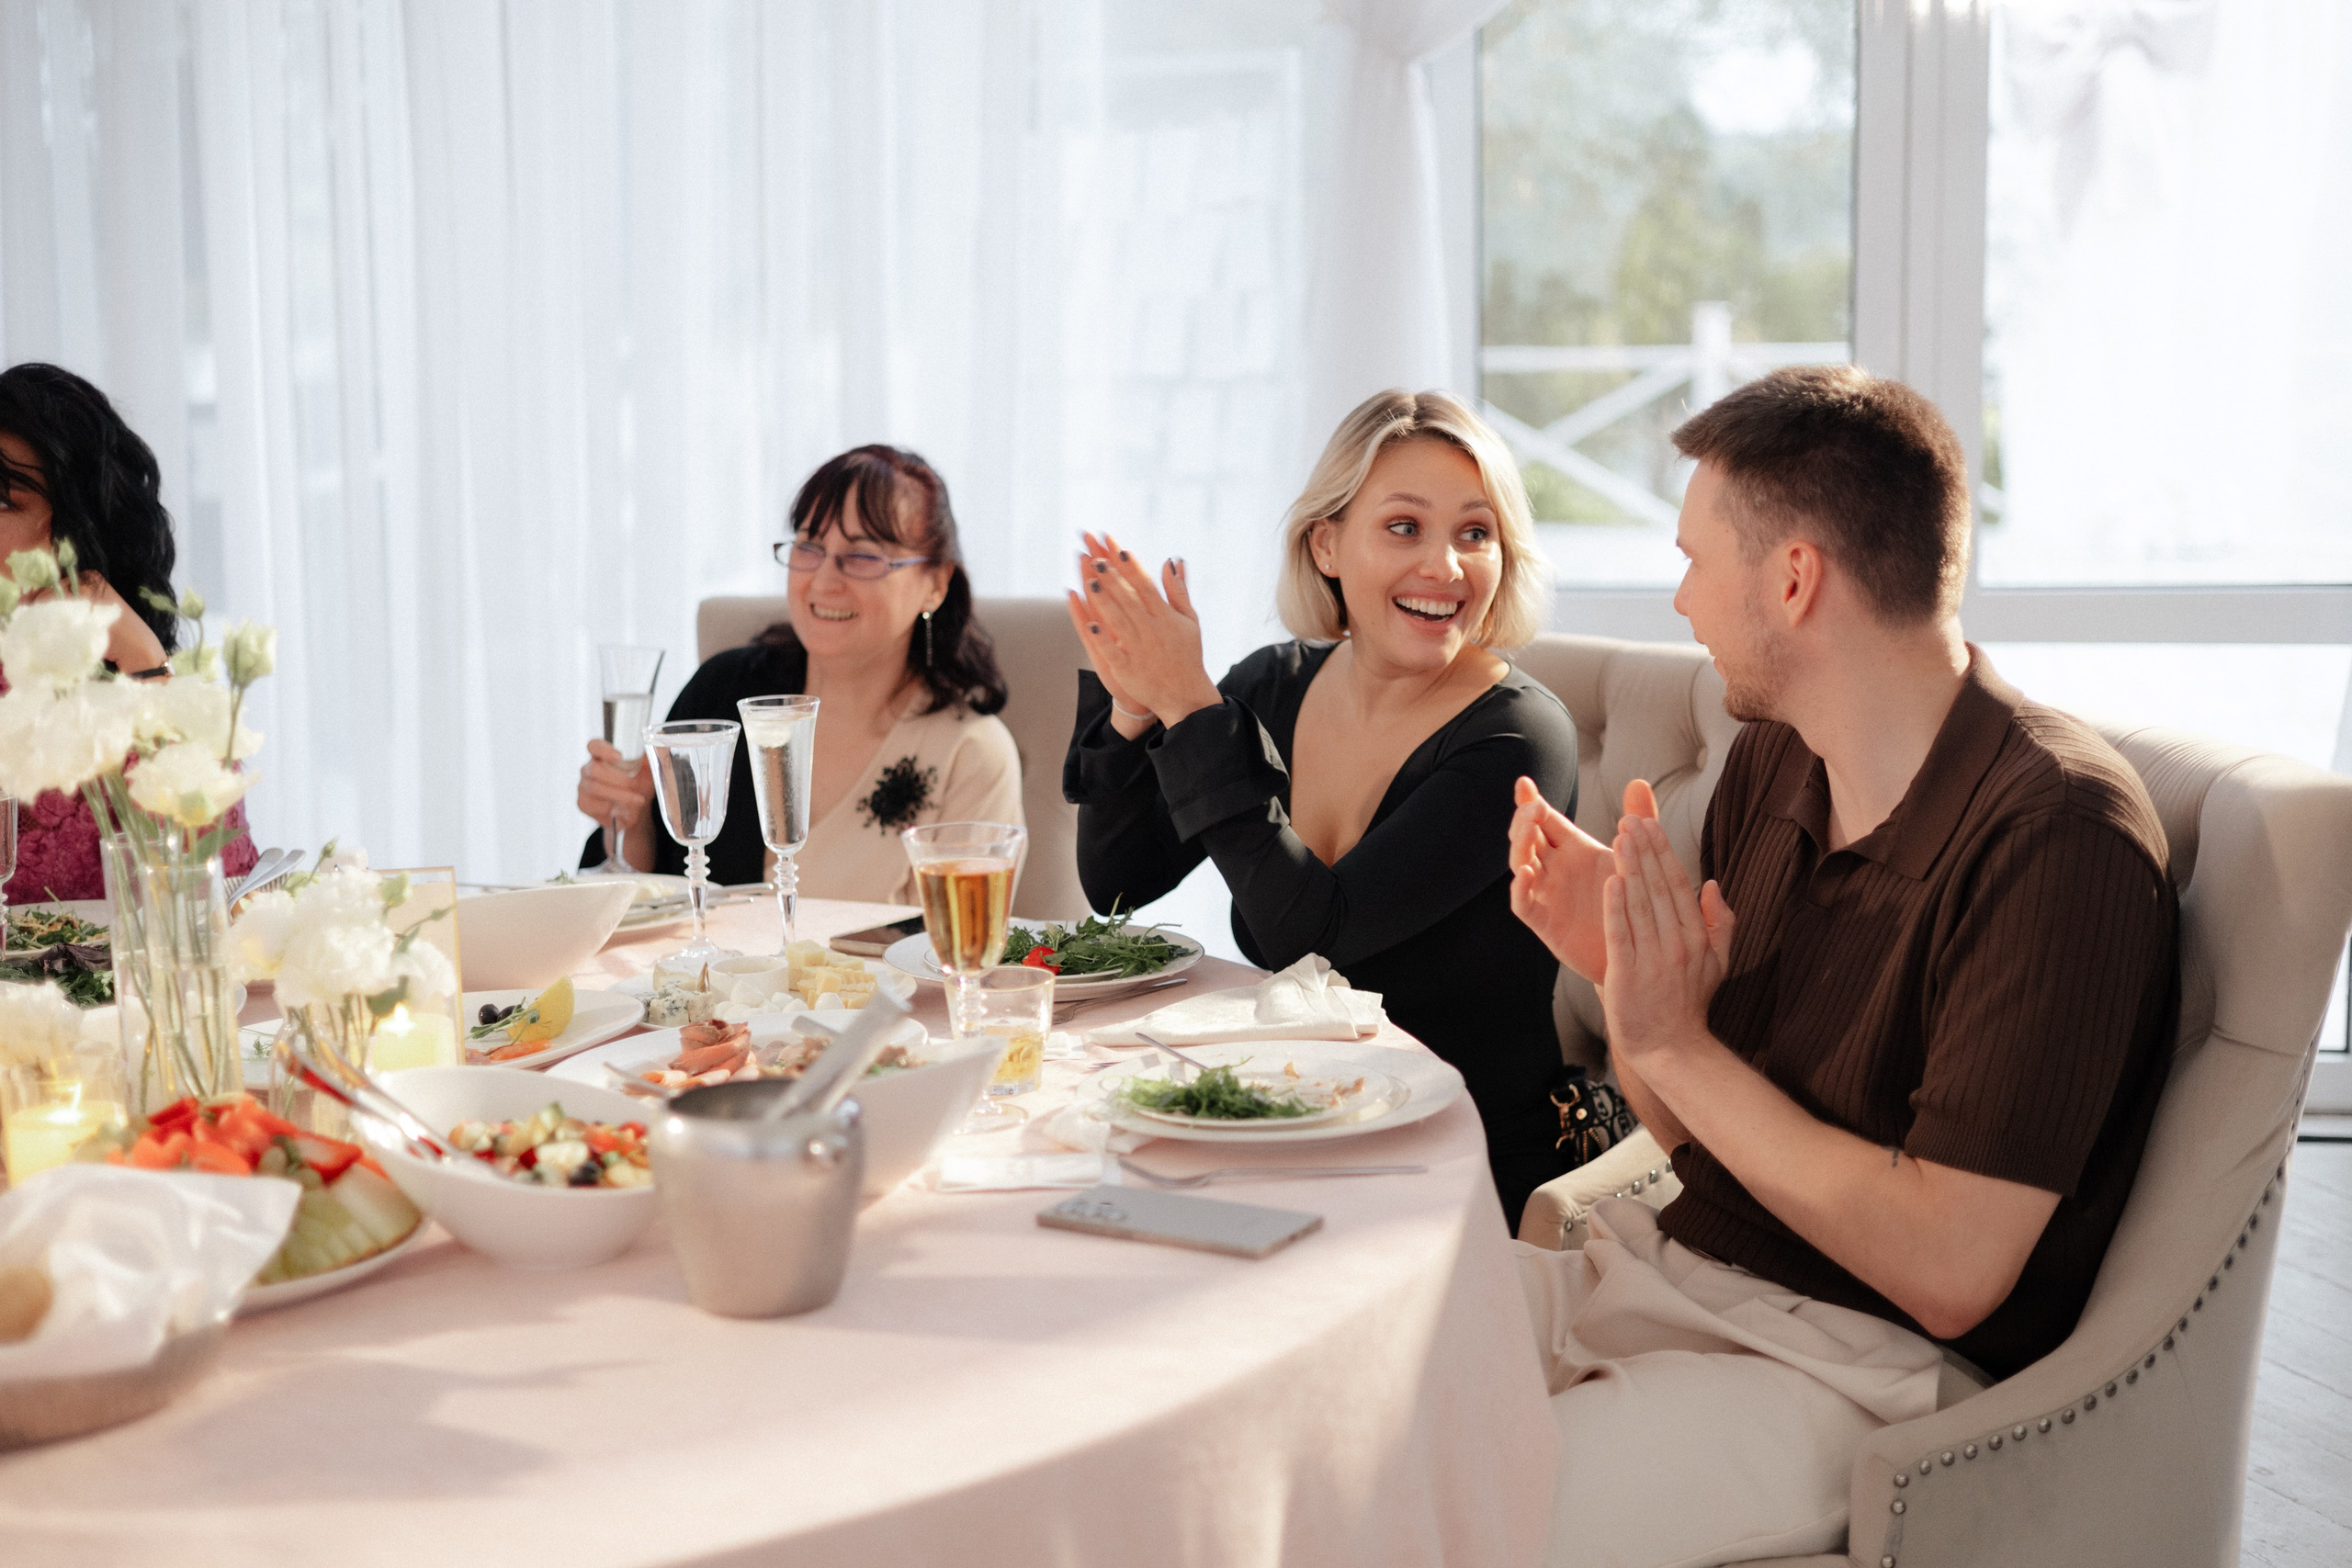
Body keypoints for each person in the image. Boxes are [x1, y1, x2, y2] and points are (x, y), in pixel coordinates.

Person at [1506, 367, 2177, 1566]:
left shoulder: (2059, 838)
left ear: (1794, 579)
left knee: (1465, 1517)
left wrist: (1673, 1041)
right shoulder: (1777, 763)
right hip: (1667, 1267)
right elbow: (1692, 1128)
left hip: (1857, 1365)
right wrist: (1626, 973)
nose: (1681, 599)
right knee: (1333, 1401)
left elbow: (1950, 1268)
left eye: (1694, 560)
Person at [1064, 389, 1582, 1230]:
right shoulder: (1276, 683)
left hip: (1464, 1166)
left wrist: (1191, 708)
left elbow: (1313, 935)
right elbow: (1118, 881)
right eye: (1405, 527)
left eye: (1475, 533)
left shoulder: (1520, 738)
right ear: (1327, 543)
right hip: (1296, 1127)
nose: (1446, 566)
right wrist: (1133, 706)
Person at [577, 445, 1023, 905]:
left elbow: (963, 945)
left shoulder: (971, 754)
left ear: (936, 584)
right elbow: (648, 901)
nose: (824, 581)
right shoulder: (724, 693)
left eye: (863, 556)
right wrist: (629, 823)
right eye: (809, 547)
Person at [0, 363, 258, 902]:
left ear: (71, 530)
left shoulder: (135, 689)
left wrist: (145, 665)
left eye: (3, 502)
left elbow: (222, 899)